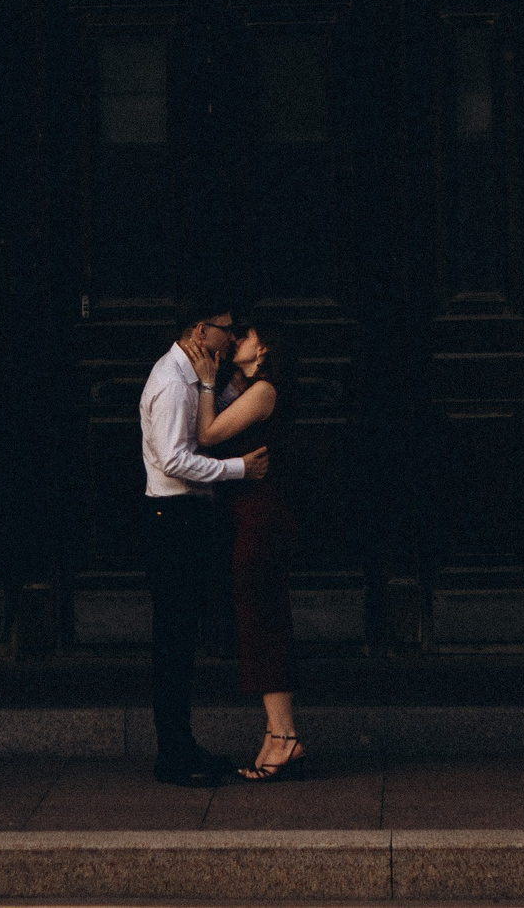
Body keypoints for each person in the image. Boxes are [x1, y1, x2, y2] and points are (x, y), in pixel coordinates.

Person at [139, 298, 270, 787]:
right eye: (225, 329)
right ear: (200, 331)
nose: (232, 337)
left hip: (184, 518)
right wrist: (239, 469)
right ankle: (172, 755)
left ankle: (182, 745)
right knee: (173, 640)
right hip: (172, 518)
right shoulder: (173, 382)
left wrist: (230, 385)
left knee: (182, 637)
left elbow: (207, 424)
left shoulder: (194, 376)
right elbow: (174, 459)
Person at [194, 321, 305, 781]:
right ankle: (278, 735)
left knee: (263, 621)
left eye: (248, 337)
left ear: (264, 351)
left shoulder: (263, 392)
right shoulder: (242, 387)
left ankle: (285, 736)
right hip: (249, 517)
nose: (238, 339)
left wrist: (205, 383)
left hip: (262, 520)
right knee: (260, 619)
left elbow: (207, 435)